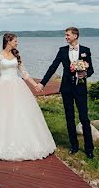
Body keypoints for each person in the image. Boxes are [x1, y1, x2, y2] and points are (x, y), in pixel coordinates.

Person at [0, 32, 56, 161]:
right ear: (8, 41)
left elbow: (24, 73)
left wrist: (35, 85)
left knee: (20, 112)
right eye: (15, 41)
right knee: (2, 113)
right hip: (2, 87)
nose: (17, 43)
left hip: (17, 85)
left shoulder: (16, 55)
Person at [36, 26, 95, 159]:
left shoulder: (86, 51)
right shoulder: (62, 51)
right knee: (69, 118)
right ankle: (74, 146)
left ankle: (89, 149)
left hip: (80, 89)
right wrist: (42, 83)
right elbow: (53, 67)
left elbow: (91, 70)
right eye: (66, 35)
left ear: (75, 36)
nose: (66, 37)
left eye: (68, 35)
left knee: (84, 119)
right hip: (67, 89)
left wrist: (85, 73)